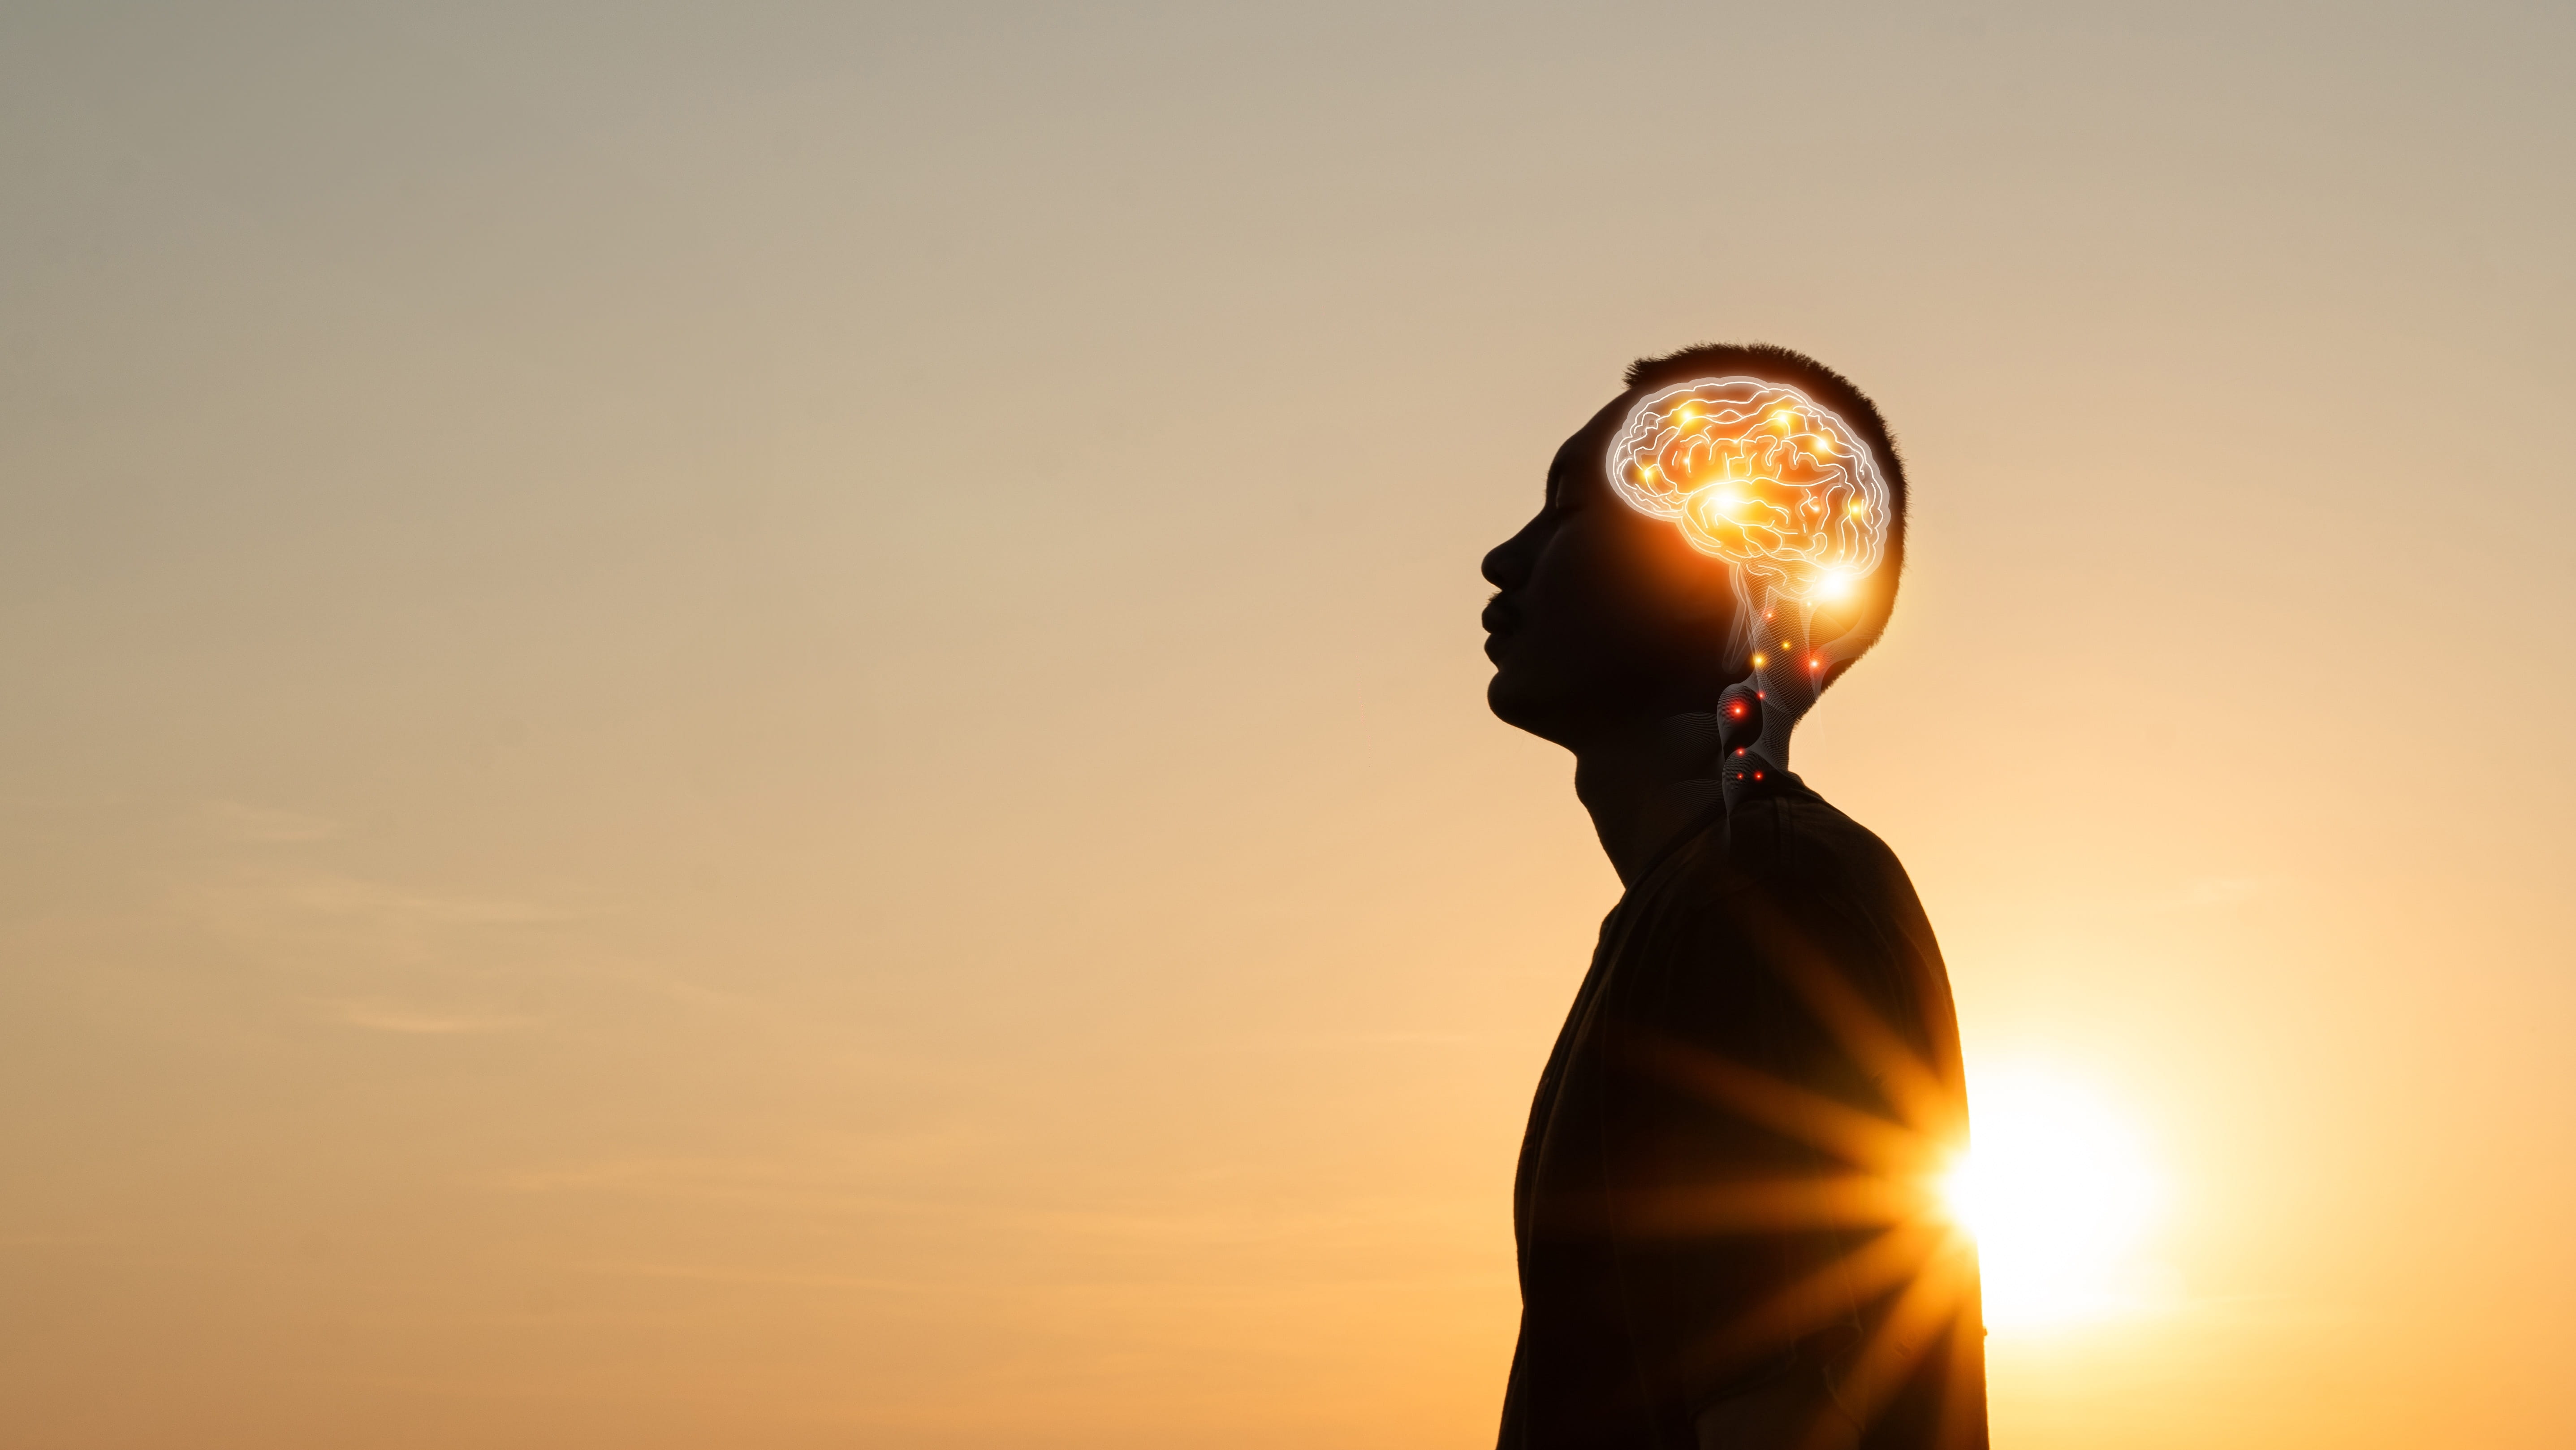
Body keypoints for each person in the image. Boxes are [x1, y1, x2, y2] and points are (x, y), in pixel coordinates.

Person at [1480, 343, 1987, 1450]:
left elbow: (1787, 1404)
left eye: (1568, 515)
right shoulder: (1702, 901)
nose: (1500, 560)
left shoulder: (1767, 895)